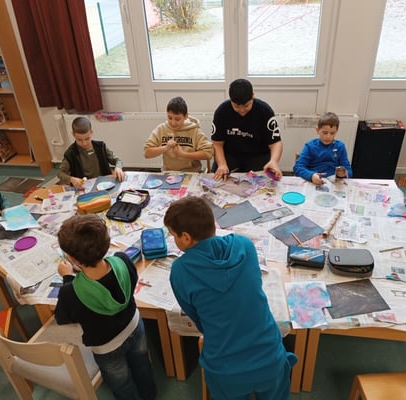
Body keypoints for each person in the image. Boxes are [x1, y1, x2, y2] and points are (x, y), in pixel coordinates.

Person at [164, 196, 297, 400]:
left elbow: (198, 319)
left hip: (225, 369)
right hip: (270, 358)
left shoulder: (180, 271)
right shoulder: (244, 245)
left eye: (173, 235)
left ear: (186, 237)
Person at [55, 214, 156, 400]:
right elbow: (132, 280)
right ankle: (150, 395)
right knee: (142, 364)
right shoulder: (122, 260)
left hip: (107, 347)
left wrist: (68, 277)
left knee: (121, 383)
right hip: (135, 326)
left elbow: (63, 318)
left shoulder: (71, 291)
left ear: (71, 258)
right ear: (107, 244)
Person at [211, 78, 283, 180]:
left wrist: (274, 161)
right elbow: (217, 143)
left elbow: (275, 143)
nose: (242, 110)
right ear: (231, 99)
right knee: (220, 181)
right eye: (236, 106)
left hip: (258, 156)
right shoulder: (222, 111)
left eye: (246, 106)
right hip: (230, 156)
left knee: (261, 184)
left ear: (253, 96)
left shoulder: (265, 111)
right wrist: (222, 164)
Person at [144, 96, 213, 172]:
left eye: (177, 119)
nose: (173, 123)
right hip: (168, 172)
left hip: (191, 171)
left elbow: (209, 153)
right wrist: (165, 147)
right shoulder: (161, 129)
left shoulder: (194, 130)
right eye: (170, 118)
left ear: (186, 116)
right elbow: (147, 153)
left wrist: (183, 154)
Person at [57, 116, 125, 189]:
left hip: (104, 183)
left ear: (91, 132)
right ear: (73, 134)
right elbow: (60, 173)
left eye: (87, 139)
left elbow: (118, 160)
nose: (84, 143)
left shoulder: (101, 147)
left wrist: (118, 167)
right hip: (84, 187)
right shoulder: (71, 153)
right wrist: (71, 179)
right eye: (79, 140)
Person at [293, 112, 352, 185]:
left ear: (336, 131)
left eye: (332, 133)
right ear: (317, 130)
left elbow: (348, 170)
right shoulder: (309, 146)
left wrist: (343, 174)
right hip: (314, 181)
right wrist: (311, 176)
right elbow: (298, 167)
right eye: (325, 133)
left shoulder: (340, 146)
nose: (328, 136)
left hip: (334, 183)